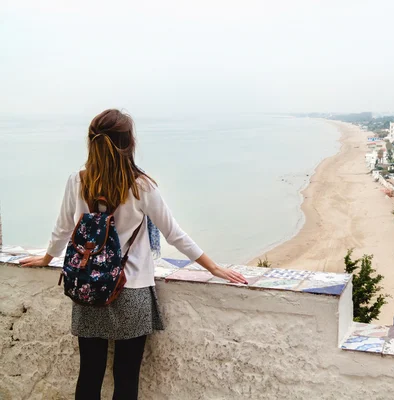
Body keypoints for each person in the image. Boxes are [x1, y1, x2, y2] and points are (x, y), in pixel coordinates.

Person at [19, 109, 247, 400]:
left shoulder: (77, 181)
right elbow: (174, 234)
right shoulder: (141, 186)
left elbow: (63, 228)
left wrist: (46, 258)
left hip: (87, 289)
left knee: (89, 372)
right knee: (126, 378)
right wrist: (213, 267)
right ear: (129, 144)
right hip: (132, 290)